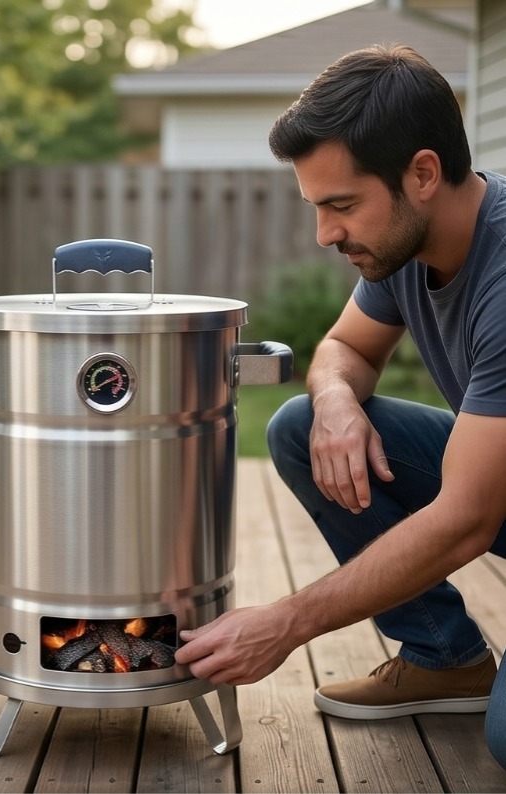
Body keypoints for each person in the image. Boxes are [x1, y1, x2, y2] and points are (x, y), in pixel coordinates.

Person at [174, 44, 506, 770]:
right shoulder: (409, 246)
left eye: (342, 205)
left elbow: (468, 521)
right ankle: (445, 661)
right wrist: (332, 401)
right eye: (317, 206)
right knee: (300, 424)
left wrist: (286, 623)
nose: (326, 234)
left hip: (491, 500)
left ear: (422, 174)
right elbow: (343, 351)